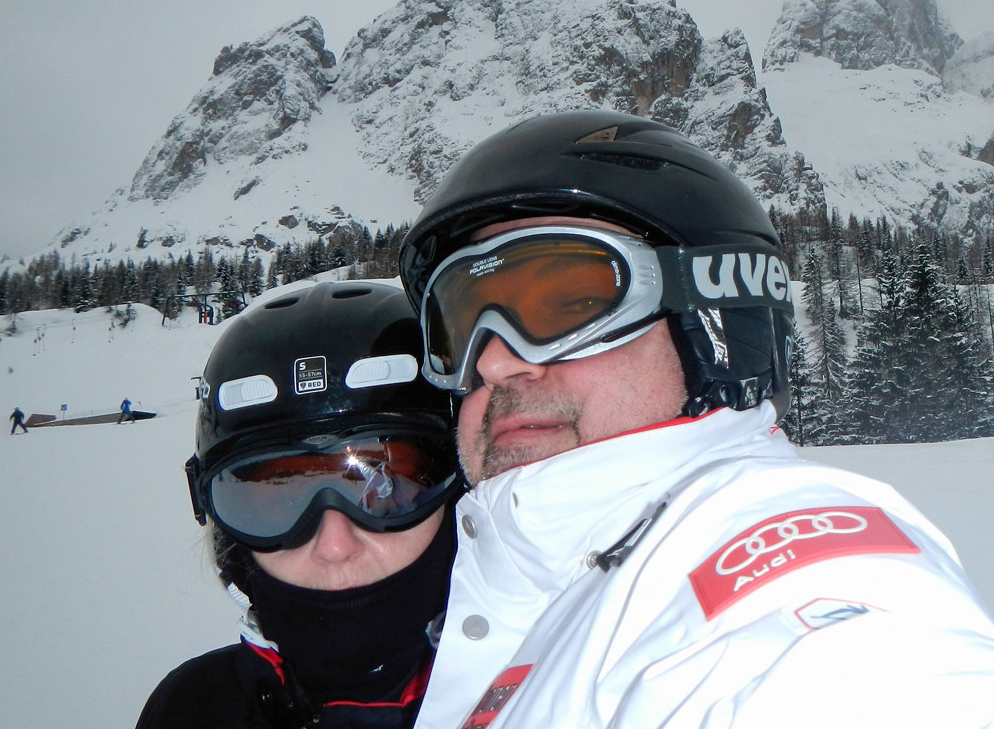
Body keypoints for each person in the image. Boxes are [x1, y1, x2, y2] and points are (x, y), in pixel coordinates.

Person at [398, 110, 994, 728]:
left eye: (570, 304)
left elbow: (863, 671)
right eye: (461, 327)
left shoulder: (779, 538)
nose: (494, 361)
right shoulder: (530, 583)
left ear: (712, 326)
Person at [136, 280, 463, 728]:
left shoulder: (553, 694)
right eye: (278, 498)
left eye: (385, 487)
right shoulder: (195, 709)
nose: (333, 545)